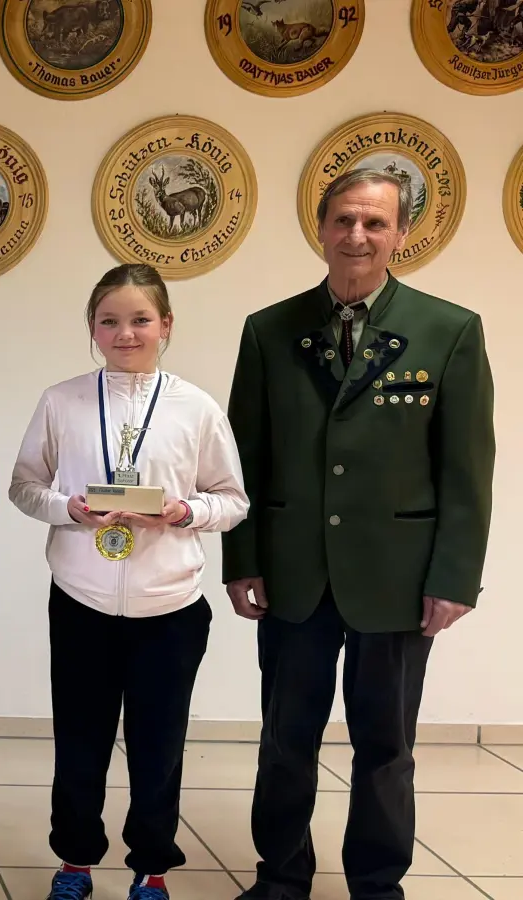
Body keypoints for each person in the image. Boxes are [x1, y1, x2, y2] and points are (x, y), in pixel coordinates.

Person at [222, 168, 495, 900]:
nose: (357, 235)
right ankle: (281, 879)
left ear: (401, 234)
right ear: (321, 228)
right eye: (344, 220)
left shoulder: (449, 331)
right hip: (293, 574)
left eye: (375, 222)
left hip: (398, 578)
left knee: (386, 747)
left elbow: (467, 469)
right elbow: (244, 458)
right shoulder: (269, 330)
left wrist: (454, 578)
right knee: (286, 740)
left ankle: (377, 886)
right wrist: (241, 559)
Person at [7, 263, 249, 900]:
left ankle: (152, 868)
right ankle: (76, 862)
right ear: (92, 328)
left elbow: (232, 500)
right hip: (81, 603)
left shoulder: (196, 407)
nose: (125, 333)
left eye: (141, 319)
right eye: (109, 321)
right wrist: (69, 508)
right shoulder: (61, 401)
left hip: (170, 609)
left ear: (166, 325)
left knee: (158, 747)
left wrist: (182, 512)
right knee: (79, 741)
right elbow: (24, 487)